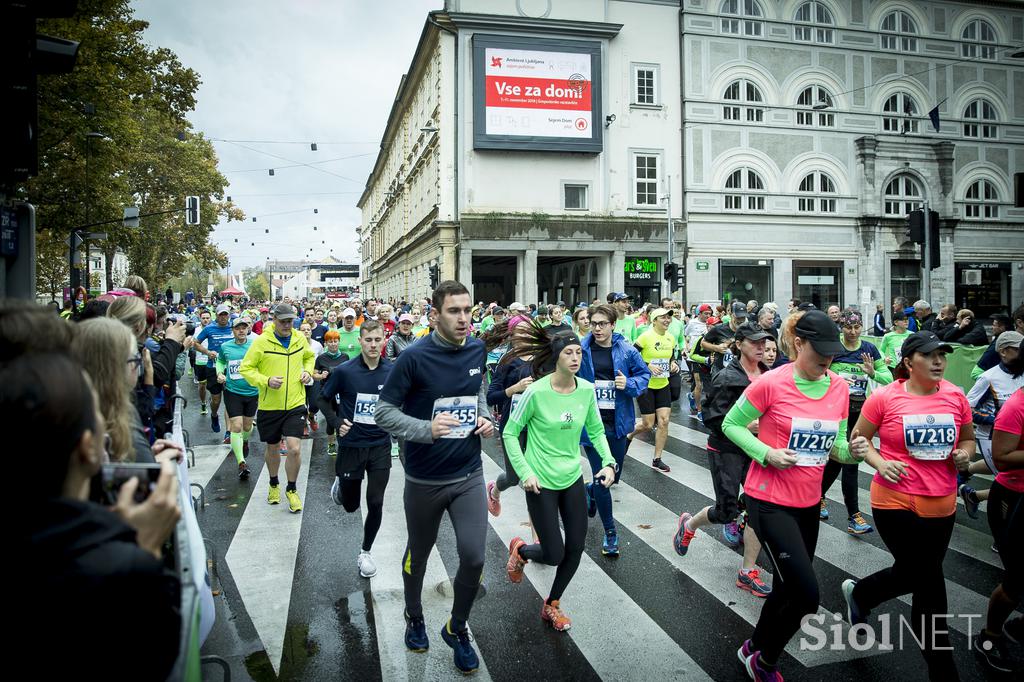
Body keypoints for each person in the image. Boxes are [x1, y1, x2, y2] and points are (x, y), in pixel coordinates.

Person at [705, 309, 862, 681]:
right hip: (769, 501)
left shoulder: (838, 387)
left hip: (808, 502)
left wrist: (851, 452)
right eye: (819, 350)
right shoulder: (770, 383)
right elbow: (730, 424)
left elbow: (836, 447)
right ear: (799, 343)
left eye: (832, 351)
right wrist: (766, 452)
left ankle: (753, 646)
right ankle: (765, 660)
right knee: (807, 596)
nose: (827, 358)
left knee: (784, 587)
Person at [21, 353, 183, 680]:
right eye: (96, 414)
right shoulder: (116, 570)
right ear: (88, 448)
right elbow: (150, 658)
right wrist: (143, 549)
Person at [374, 280, 494, 675]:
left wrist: (485, 417)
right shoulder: (413, 357)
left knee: (474, 556)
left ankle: (456, 627)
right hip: (424, 478)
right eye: (454, 311)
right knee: (419, 555)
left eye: (468, 310)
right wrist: (427, 429)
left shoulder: (477, 347)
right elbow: (384, 413)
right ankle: (414, 614)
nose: (463, 319)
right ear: (435, 315)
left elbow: (477, 389)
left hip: (468, 473)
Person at [841, 331, 975, 681]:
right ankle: (944, 672)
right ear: (908, 361)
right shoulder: (885, 397)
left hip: (941, 502)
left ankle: (862, 595)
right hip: (893, 499)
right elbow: (858, 439)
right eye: (929, 355)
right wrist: (881, 463)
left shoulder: (956, 397)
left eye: (942, 355)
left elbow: (968, 438)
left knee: (916, 573)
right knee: (929, 580)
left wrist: (965, 456)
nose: (938, 362)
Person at [503, 327, 617, 632]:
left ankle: (552, 604)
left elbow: (595, 431)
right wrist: (525, 473)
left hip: (571, 479)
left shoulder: (586, 390)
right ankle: (522, 551)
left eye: (579, 351)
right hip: (540, 482)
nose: (575, 357)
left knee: (576, 547)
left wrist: (607, 463)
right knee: (553, 553)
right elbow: (510, 433)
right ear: (556, 356)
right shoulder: (535, 392)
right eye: (568, 352)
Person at [672, 323, 771, 597]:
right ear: (739, 344)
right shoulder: (727, 377)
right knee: (726, 511)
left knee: (758, 507)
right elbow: (711, 416)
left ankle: (747, 571)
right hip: (725, 449)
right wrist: (743, 426)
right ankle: (689, 525)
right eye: (755, 343)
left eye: (764, 342)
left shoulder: (769, 375)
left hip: (756, 449)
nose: (761, 347)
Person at [318, 320, 393, 579]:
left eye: (377, 339)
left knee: (375, 501)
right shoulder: (345, 371)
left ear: (384, 341)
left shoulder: (392, 371)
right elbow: (322, 398)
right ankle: (341, 484)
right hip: (351, 446)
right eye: (368, 340)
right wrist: (336, 422)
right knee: (350, 505)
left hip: (380, 445)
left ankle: (365, 552)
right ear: (360, 341)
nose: (373, 344)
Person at [578, 304, 651, 555]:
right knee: (603, 478)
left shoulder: (627, 350)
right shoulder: (581, 349)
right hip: (591, 425)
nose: (596, 328)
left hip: (618, 423)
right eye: (593, 323)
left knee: (613, 476)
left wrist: (628, 383)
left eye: (602, 324)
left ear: (612, 325)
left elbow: (644, 376)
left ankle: (590, 491)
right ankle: (611, 532)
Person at [819, 310, 893, 534]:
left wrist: (873, 373)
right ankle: (853, 515)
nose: (852, 332)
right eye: (848, 327)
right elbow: (819, 372)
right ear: (841, 327)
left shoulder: (868, 349)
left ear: (862, 327)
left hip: (860, 413)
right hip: (835, 413)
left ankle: (821, 498)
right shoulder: (835, 347)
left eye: (857, 327)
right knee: (845, 459)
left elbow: (888, 378)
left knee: (845, 459)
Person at [239, 303, 316, 513]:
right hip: (270, 406)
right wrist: (265, 380)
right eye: (283, 321)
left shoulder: (300, 338)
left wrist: (307, 372)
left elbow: (309, 357)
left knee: (294, 448)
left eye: (290, 321)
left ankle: (291, 489)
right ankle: (274, 483)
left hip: (295, 403)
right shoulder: (262, 342)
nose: (287, 325)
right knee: (272, 447)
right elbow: (246, 368)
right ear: (274, 320)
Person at [976, 369, 1023, 673]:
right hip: (1013, 497)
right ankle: (989, 637)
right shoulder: (1018, 405)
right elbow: (1001, 455)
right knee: (1017, 578)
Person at [71, 318, 156, 463]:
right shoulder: (120, 424)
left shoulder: (73, 415)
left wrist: (149, 455)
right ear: (122, 367)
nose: (139, 365)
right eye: (136, 358)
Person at [961, 332, 1024, 518]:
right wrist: (996, 419)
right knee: (1008, 481)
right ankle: (1002, 531)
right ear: (1004, 351)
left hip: (1017, 437)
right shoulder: (989, 377)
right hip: (990, 437)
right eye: (1018, 349)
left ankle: (972, 491)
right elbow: (967, 408)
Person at [484, 314, 536, 516]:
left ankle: (539, 534)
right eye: (520, 330)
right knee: (514, 477)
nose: (525, 333)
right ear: (512, 334)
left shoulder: (541, 358)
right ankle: (494, 490)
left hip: (537, 424)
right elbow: (491, 397)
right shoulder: (507, 361)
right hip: (513, 425)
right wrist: (515, 388)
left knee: (536, 475)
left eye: (528, 329)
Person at [628, 308, 679, 472]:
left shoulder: (671, 338)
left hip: (663, 384)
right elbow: (630, 356)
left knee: (664, 421)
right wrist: (647, 365)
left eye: (668, 318)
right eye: (663, 318)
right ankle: (629, 435)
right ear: (654, 320)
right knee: (648, 424)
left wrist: (673, 363)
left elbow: (671, 356)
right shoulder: (645, 337)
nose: (667, 320)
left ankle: (657, 459)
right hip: (646, 385)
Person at [215, 315, 258, 480]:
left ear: (248, 329)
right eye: (237, 328)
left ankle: (244, 441)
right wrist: (219, 372)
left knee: (247, 426)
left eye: (244, 327)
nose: (241, 330)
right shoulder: (226, 347)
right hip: (232, 391)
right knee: (236, 426)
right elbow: (220, 361)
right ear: (233, 330)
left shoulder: (255, 345)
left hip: (252, 391)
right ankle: (241, 462)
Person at [195, 303, 237, 436]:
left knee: (230, 400)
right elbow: (195, 343)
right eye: (221, 315)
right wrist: (207, 352)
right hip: (212, 368)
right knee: (216, 400)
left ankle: (228, 431)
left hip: (231, 368)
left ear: (229, 315)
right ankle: (214, 414)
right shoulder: (209, 328)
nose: (224, 317)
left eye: (226, 315)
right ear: (217, 316)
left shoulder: (233, 327)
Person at [314, 330, 348, 456]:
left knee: (342, 417)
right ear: (326, 343)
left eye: (335, 341)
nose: (333, 344)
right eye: (330, 342)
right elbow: (314, 374)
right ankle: (331, 444)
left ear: (339, 342)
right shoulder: (321, 358)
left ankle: (342, 442)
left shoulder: (345, 357)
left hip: (341, 393)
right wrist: (321, 376)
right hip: (327, 393)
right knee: (330, 420)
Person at [973, 313, 1011, 380]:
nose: (992, 327)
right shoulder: (1001, 339)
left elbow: (976, 373)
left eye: (994, 325)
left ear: (1002, 327)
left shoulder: (999, 343)